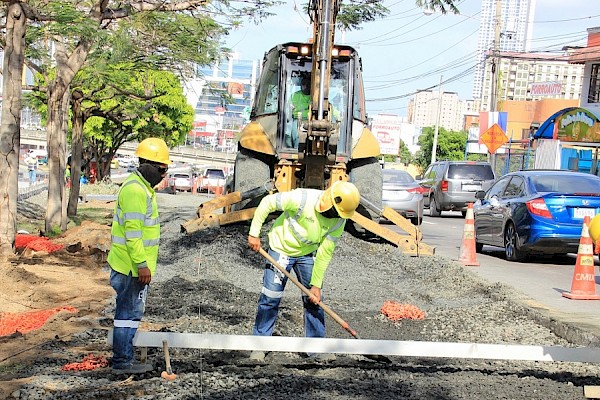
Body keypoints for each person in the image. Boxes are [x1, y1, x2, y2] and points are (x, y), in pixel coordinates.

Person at [247, 181, 361, 362]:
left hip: (307, 253)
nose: (334, 216)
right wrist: (254, 233)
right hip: (281, 248)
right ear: (328, 199)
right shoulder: (301, 198)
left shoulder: (339, 219)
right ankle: (259, 346)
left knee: (314, 300)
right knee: (270, 298)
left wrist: (316, 285)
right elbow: (267, 203)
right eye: (333, 212)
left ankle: (315, 347)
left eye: (338, 214)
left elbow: (325, 253)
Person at [106, 137, 170, 374]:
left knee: (131, 313)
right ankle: (122, 362)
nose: (164, 175)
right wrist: (142, 265)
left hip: (133, 266)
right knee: (126, 314)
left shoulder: (142, 188)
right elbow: (133, 235)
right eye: (162, 170)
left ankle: (125, 358)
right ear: (149, 166)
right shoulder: (135, 191)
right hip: (130, 267)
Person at [287, 75, 312, 148]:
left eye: (308, 85)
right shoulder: (295, 95)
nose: (305, 87)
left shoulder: (315, 96)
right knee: (296, 136)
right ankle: (295, 150)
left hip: (311, 121)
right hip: (297, 120)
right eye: (304, 84)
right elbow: (289, 109)